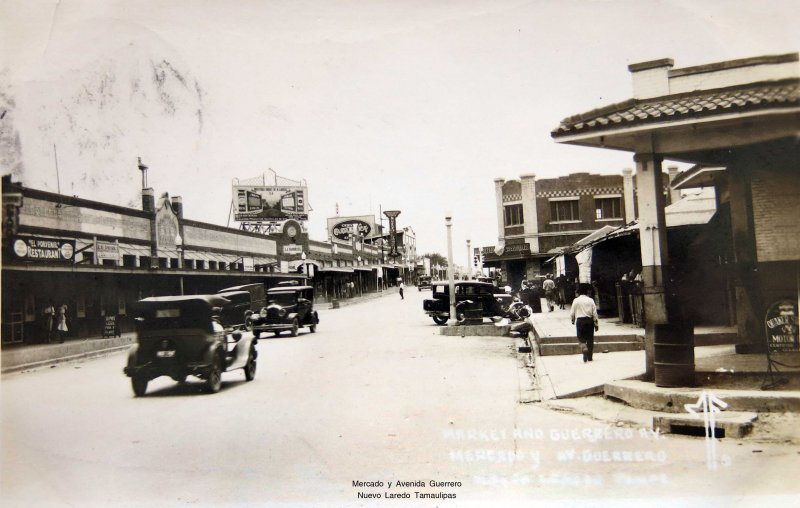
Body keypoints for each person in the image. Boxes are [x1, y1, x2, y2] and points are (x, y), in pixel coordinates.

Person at [570, 283, 599, 362]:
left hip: (580, 321)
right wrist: (596, 324)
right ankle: (590, 357)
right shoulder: (591, 300)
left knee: (581, 338)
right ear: (587, 291)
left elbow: (572, 313)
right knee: (590, 339)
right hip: (589, 321)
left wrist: (573, 320)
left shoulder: (576, 300)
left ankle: (584, 347)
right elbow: (595, 313)